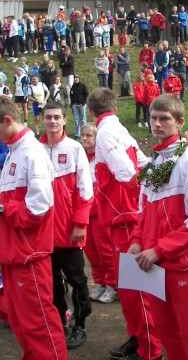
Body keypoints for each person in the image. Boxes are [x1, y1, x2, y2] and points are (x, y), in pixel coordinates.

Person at [0, 93, 67, 358]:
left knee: (38, 320)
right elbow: (17, 202)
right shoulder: (14, 151)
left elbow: (39, 208)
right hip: (14, 252)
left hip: (28, 254)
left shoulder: (31, 153)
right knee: (21, 319)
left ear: (7, 120)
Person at [129, 94, 188, 360]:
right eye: (153, 118)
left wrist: (159, 250)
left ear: (179, 122)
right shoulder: (155, 161)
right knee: (167, 331)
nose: (157, 124)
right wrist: (137, 240)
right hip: (152, 264)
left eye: (164, 119)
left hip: (180, 263)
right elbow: (143, 211)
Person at [86, 88, 162, 360]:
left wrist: (140, 199)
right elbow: (142, 162)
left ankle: (150, 348)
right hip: (125, 216)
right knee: (129, 289)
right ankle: (138, 337)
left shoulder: (105, 133)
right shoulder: (118, 128)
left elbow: (128, 172)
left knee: (137, 288)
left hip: (126, 218)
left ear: (91, 112)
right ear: (115, 108)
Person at [39, 102, 93, 350]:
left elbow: (85, 189)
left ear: (64, 120)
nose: (52, 121)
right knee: (50, 281)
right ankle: (60, 319)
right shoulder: (35, 149)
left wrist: (80, 223)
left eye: (57, 117)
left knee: (77, 279)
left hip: (68, 230)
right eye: (48, 117)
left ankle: (80, 324)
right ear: (42, 119)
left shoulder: (74, 148)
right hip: (42, 231)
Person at [80, 123, 118, 304]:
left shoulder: (103, 159)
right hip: (85, 214)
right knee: (91, 251)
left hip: (100, 213)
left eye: (89, 135)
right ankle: (100, 282)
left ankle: (113, 284)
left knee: (106, 251)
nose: (85, 138)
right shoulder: (80, 158)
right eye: (83, 135)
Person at [70, 75, 89, 139]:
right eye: (75, 78)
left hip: (82, 104)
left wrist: (83, 103)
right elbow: (71, 96)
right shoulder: (73, 86)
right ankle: (77, 134)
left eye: (77, 78)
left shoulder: (83, 86)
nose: (76, 79)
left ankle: (85, 132)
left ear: (79, 79)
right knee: (76, 120)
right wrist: (72, 105)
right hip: (75, 105)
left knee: (83, 119)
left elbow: (86, 94)